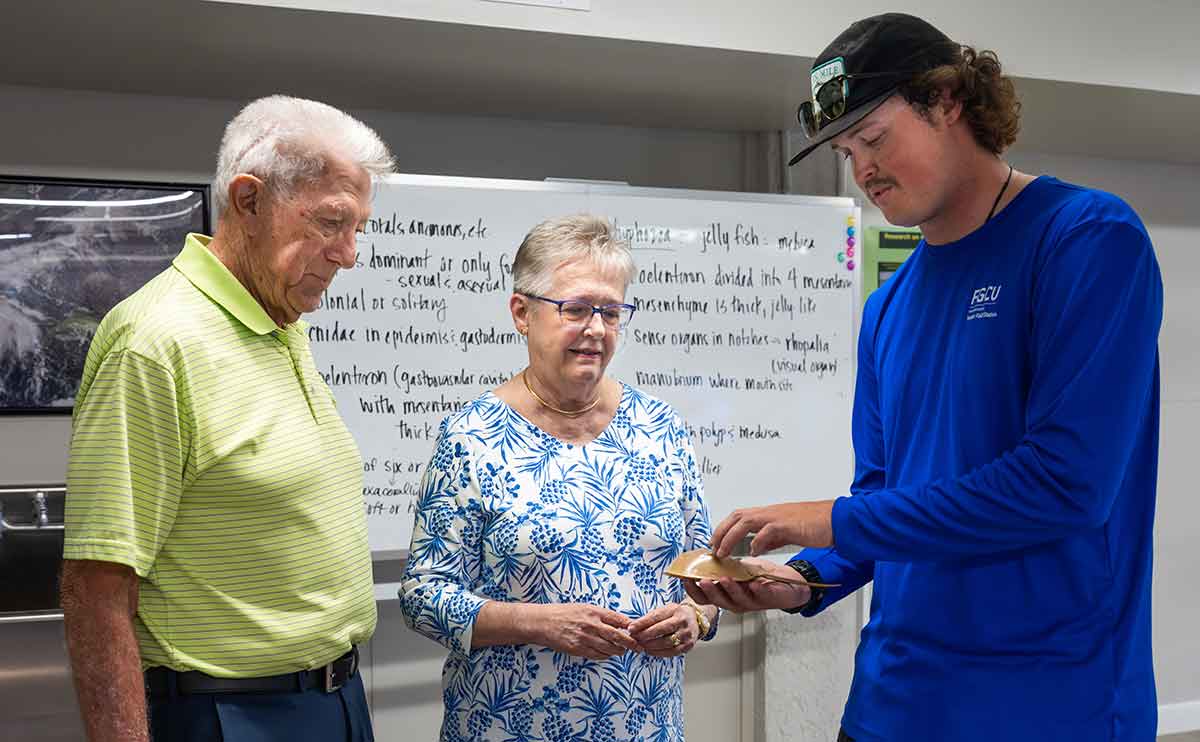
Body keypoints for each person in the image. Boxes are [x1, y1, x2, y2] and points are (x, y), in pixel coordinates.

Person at [686, 13, 1163, 742]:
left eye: (873, 138)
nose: (863, 169)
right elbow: (887, 500)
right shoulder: (888, 306)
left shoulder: (1086, 240)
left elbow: (1065, 484)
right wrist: (805, 580)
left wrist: (829, 518)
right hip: (891, 706)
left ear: (948, 101)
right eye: (847, 151)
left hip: (1048, 707)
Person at [60, 95, 394, 742]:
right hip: (230, 715)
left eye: (359, 228)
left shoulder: (280, 320)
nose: (349, 254)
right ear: (247, 201)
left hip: (333, 702)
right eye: (331, 222)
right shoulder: (154, 343)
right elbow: (97, 588)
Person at [400, 214, 720, 742]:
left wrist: (696, 617)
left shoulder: (660, 427)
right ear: (521, 313)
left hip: (644, 728)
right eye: (575, 309)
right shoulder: (471, 437)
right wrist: (540, 624)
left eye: (611, 312)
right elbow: (423, 596)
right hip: (507, 727)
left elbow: (704, 573)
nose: (596, 329)